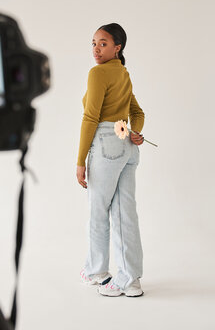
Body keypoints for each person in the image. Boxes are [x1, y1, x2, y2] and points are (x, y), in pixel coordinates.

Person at [77, 23, 145, 297]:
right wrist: (135, 131)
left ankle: (97, 271)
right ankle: (131, 280)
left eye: (103, 43)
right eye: (93, 43)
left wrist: (81, 160)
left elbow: (91, 117)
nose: (96, 49)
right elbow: (136, 111)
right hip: (126, 144)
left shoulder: (98, 73)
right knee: (124, 213)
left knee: (98, 211)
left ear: (118, 47)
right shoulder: (123, 73)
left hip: (105, 144)